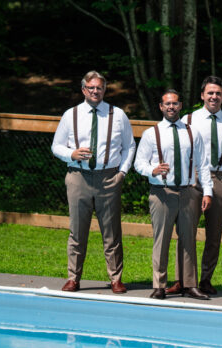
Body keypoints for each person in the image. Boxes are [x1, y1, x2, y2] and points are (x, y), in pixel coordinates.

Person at [51, 71, 136, 294]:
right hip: (78, 177)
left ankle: (115, 278)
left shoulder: (118, 115)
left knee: (112, 231)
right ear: (83, 90)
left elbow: (129, 146)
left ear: (104, 90)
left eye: (99, 87)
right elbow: (56, 146)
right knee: (77, 231)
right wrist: (71, 154)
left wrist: (122, 172)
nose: (95, 91)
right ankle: (73, 278)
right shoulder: (71, 114)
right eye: (91, 88)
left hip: (108, 178)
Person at [133, 89, 213, 300]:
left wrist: (207, 191)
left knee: (188, 240)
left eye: (175, 103)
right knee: (162, 240)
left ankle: (190, 284)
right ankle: (159, 285)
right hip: (162, 192)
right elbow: (138, 163)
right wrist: (152, 170)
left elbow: (203, 164)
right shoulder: (151, 134)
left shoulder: (192, 133)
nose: (171, 107)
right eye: (167, 104)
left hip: (188, 192)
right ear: (161, 107)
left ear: (180, 106)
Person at [167, 76, 222, 296]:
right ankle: (182, 279)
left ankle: (206, 279)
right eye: (210, 93)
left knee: (214, 234)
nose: (214, 96)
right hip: (194, 179)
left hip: (220, 180)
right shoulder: (189, 119)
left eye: (218, 93)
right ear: (202, 95)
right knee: (186, 231)